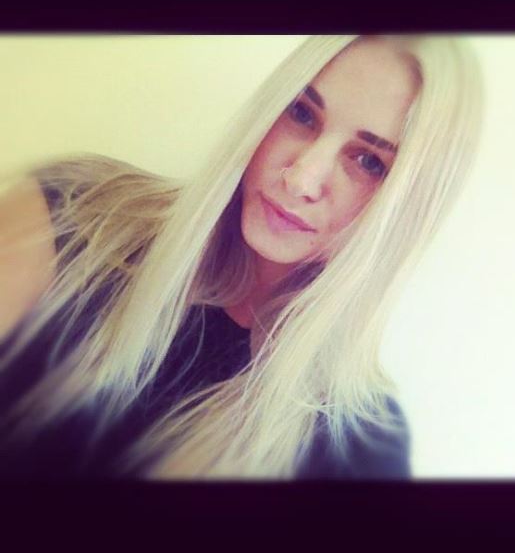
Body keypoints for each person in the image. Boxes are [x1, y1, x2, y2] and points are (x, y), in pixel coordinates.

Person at [0, 34, 483, 480]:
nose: (302, 178)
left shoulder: (359, 449)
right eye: (302, 114)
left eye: (369, 161)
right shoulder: (72, 215)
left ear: (405, 209)